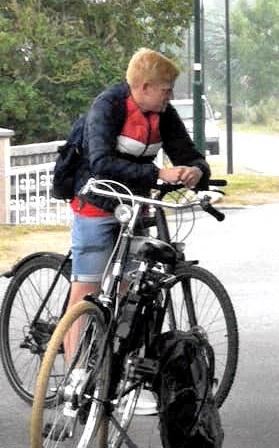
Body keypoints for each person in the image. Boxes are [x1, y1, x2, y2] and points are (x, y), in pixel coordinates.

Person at [66, 48, 209, 317]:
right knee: (87, 291)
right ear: (145, 88)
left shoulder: (163, 113)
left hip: (135, 207)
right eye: (167, 89)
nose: (171, 96)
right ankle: (79, 359)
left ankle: (116, 354)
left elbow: (188, 153)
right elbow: (100, 162)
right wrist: (157, 174)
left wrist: (197, 171)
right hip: (97, 204)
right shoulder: (107, 106)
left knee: (131, 287)